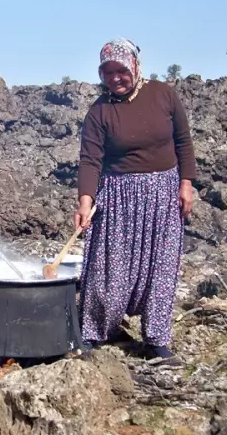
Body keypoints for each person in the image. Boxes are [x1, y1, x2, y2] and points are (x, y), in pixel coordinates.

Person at [75, 38, 196, 362]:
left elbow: (183, 141)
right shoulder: (99, 112)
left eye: (121, 70)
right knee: (108, 267)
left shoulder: (163, 94)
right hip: (117, 197)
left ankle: (155, 337)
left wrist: (186, 184)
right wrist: (85, 203)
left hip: (163, 195)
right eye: (108, 72)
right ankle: (96, 330)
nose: (115, 77)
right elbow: (90, 160)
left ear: (136, 67)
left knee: (161, 267)